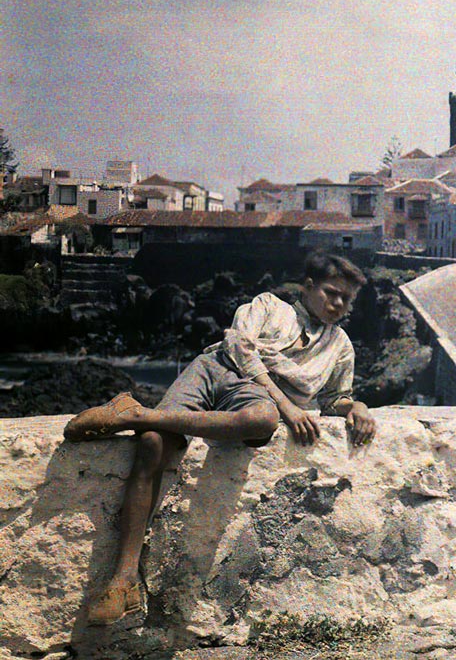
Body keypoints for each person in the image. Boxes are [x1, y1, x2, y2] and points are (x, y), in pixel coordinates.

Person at [62, 251, 377, 626]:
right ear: (308, 287)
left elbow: (333, 398)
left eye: (347, 299)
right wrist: (289, 408)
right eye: (331, 292)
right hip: (216, 370)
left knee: (262, 419)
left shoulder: (340, 346)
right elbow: (240, 349)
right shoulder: (269, 306)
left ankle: (134, 413)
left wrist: (356, 405)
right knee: (151, 445)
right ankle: (123, 580)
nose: (338, 304)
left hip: (255, 398)